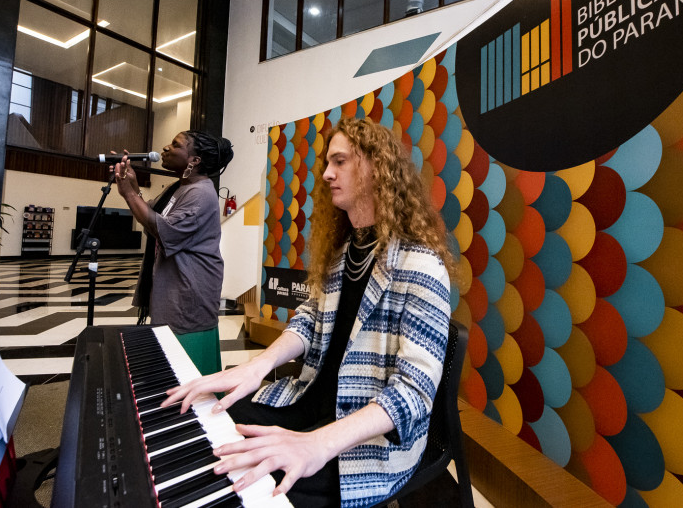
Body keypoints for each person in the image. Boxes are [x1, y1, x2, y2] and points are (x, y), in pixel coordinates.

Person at [162, 118, 454, 507]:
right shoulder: (344, 254)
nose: (327, 174)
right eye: (327, 163)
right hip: (312, 400)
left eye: (340, 161)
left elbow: (414, 393)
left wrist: (317, 443)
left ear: (375, 168)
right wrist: (257, 367)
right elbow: (309, 319)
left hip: (368, 440)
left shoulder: (422, 265)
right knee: (214, 423)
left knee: (250, 484)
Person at [113, 130, 233, 375]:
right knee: (167, 366)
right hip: (173, 286)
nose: (166, 148)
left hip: (189, 292)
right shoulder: (178, 187)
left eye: (175, 145)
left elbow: (162, 228)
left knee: (187, 372)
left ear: (194, 160)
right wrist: (133, 185)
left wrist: (129, 193)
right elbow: (152, 215)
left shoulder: (200, 193)